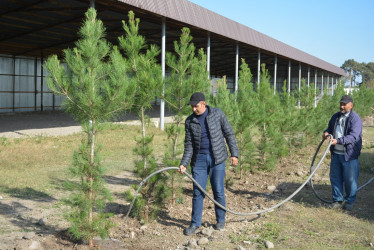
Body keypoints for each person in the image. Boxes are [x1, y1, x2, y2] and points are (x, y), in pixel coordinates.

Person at [178, 92, 239, 235]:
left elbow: (229, 133)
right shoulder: (189, 121)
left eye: (196, 106)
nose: (194, 109)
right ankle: (195, 224)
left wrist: (234, 153)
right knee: (198, 192)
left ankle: (221, 220)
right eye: (192, 106)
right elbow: (189, 144)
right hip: (199, 160)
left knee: (218, 190)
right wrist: (184, 163)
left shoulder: (217, 114)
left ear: (204, 103)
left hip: (217, 158)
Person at [322, 94, 362, 211]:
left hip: (349, 155)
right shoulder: (336, 116)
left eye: (344, 104)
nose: (342, 106)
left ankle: (349, 201)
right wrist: (325, 133)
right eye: (341, 104)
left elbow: (353, 137)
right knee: (335, 178)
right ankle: (337, 200)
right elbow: (329, 129)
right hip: (336, 154)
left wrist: (338, 141)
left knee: (350, 180)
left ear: (351, 105)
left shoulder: (355, 119)